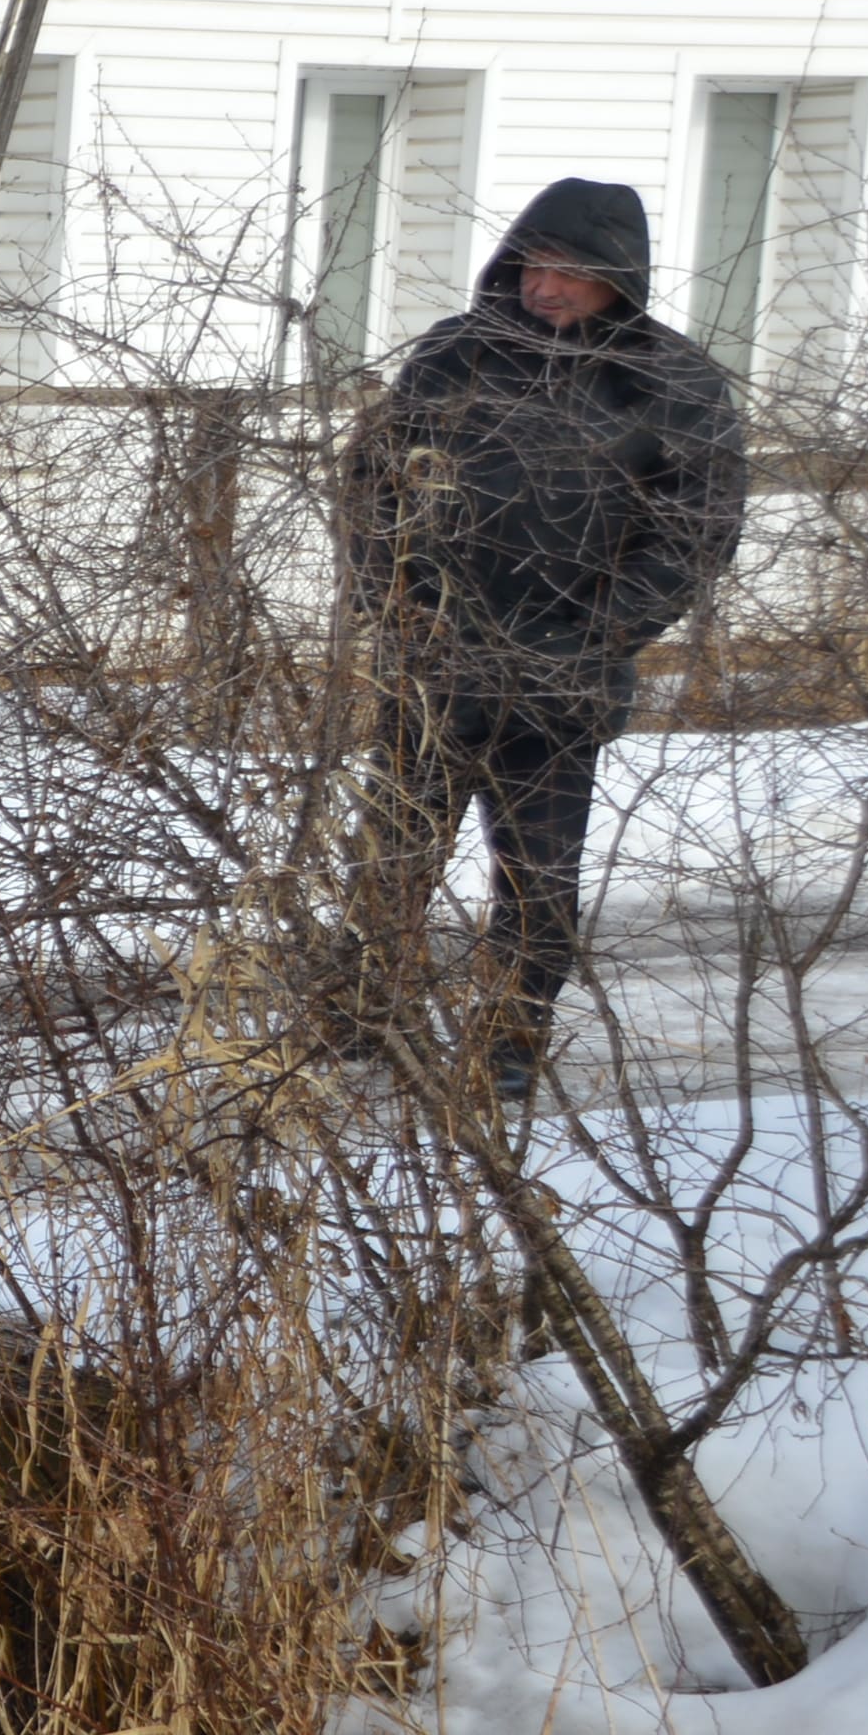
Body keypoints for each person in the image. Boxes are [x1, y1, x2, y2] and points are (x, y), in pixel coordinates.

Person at [337, 176, 746, 1106]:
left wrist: (600, 634)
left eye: (571, 270)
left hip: (561, 679)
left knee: (538, 876)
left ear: (620, 279)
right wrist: (393, 604)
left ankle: (510, 1037)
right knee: (390, 852)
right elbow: (372, 483)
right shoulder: (454, 355)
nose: (544, 285)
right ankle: (359, 1009)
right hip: (436, 664)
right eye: (533, 263)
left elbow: (696, 530)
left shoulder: (670, 383)